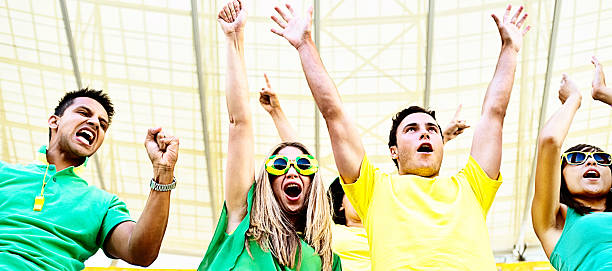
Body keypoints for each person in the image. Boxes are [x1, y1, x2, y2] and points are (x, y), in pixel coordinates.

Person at [270, 3, 530, 270]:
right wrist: (304, 45)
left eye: (432, 129)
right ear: (393, 150)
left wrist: (510, 49)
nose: (424, 133)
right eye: (411, 129)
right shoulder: (374, 190)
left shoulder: (473, 187)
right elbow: (333, 114)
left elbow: (494, 114)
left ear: (442, 143)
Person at [259, 74, 470, 271]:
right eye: (351, 192)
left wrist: (441, 139)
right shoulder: (328, 232)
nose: (360, 193)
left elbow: (413, 178)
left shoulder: (394, 221)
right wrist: (277, 112)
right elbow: (301, 164)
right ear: (339, 204)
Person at [198, 1, 340, 270]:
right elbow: (238, 124)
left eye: (303, 167)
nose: (291, 172)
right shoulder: (245, 225)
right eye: (278, 166)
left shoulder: (326, 261)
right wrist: (233, 38)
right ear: (266, 182)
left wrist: (277, 114)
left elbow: (300, 154)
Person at [0, 88, 180, 270]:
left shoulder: (104, 204)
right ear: (54, 121)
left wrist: (163, 172)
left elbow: (140, 253)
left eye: (102, 125)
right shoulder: (4, 172)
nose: (95, 123)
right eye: (83, 113)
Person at [532, 58, 612, 271]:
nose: (591, 160)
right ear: (560, 177)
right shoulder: (555, 221)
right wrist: (573, 99)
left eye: (602, 159)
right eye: (577, 158)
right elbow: (550, 142)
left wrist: (603, 93)